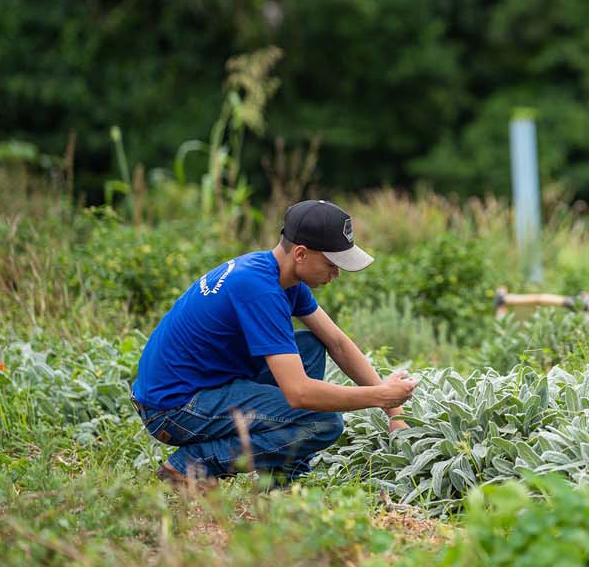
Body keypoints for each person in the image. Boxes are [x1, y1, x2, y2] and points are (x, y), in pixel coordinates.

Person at [130, 199, 418, 487]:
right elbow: (299, 394)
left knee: (310, 347)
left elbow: (338, 343)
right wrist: (380, 395)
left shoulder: (275, 274)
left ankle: (280, 481)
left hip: (200, 387)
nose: (336, 274)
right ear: (302, 254)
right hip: (174, 409)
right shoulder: (260, 291)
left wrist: (393, 412)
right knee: (323, 423)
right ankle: (192, 465)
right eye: (332, 264)